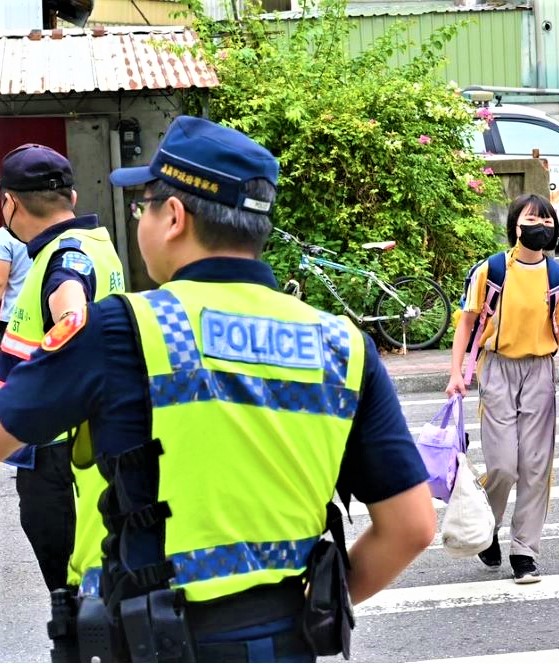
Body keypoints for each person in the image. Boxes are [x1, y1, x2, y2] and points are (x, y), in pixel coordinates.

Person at [0, 115, 436, 663]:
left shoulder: (122, 330)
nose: (140, 220)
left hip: (148, 641)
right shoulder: (342, 346)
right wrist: (299, 614)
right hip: (284, 645)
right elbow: (411, 527)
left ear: (174, 217)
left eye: (143, 207)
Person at [446, 193, 559, 584]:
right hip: (497, 370)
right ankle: (487, 527)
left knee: (535, 467)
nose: (540, 227)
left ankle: (524, 551)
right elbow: (467, 323)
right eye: (532, 220)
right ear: (515, 225)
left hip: (540, 373)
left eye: (547, 221)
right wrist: (456, 372)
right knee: (502, 466)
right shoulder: (491, 271)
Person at [0, 144, 126, 595]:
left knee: (70, 591)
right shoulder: (96, 245)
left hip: (55, 450)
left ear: (9, 204)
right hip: (86, 443)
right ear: (71, 197)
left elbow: (72, 319)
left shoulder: (63, 257)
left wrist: (31, 406)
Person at [0, 226, 33, 338]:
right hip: (43, 315)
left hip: (13, 316)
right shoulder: (55, 233)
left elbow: (0, 282)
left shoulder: (4, 236)